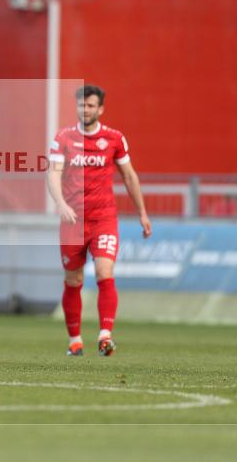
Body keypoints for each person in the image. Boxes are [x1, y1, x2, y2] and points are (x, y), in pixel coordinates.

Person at [46, 85, 152, 357]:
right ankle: (75, 341)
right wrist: (60, 203)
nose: (85, 109)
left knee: (105, 271)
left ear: (100, 109)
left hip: (104, 218)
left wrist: (142, 212)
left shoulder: (114, 138)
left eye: (91, 105)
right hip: (73, 221)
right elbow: (53, 173)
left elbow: (129, 176)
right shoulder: (64, 138)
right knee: (74, 279)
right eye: (82, 105)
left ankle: (105, 335)